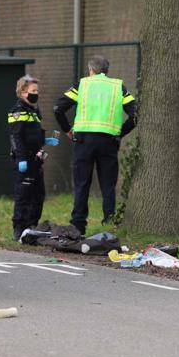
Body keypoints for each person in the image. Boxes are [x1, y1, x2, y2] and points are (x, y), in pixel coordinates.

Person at [53, 55, 137, 235]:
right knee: (108, 185)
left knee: (82, 183)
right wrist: (121, 132)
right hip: (108, 141)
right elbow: (135, 114)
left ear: (91, 70)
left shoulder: (82, 85)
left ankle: (78, 226)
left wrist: (67, 129)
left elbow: (58, 108)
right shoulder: (118, 87)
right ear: (107, 71)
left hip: (84, 141)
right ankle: (109, 224)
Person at [8, 75, 59, 241]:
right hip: (25, 159)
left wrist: (45, 141)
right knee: (23, 194)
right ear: (23, 92)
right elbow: (16, 137)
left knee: (38, 195)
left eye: (37, 91)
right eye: (33, 91)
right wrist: (21, 158)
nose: (36, 93)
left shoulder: (34, 111)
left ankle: (32, 227)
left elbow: (32, 135)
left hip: (36, 159)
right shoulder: (18, 111)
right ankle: (19, 228)